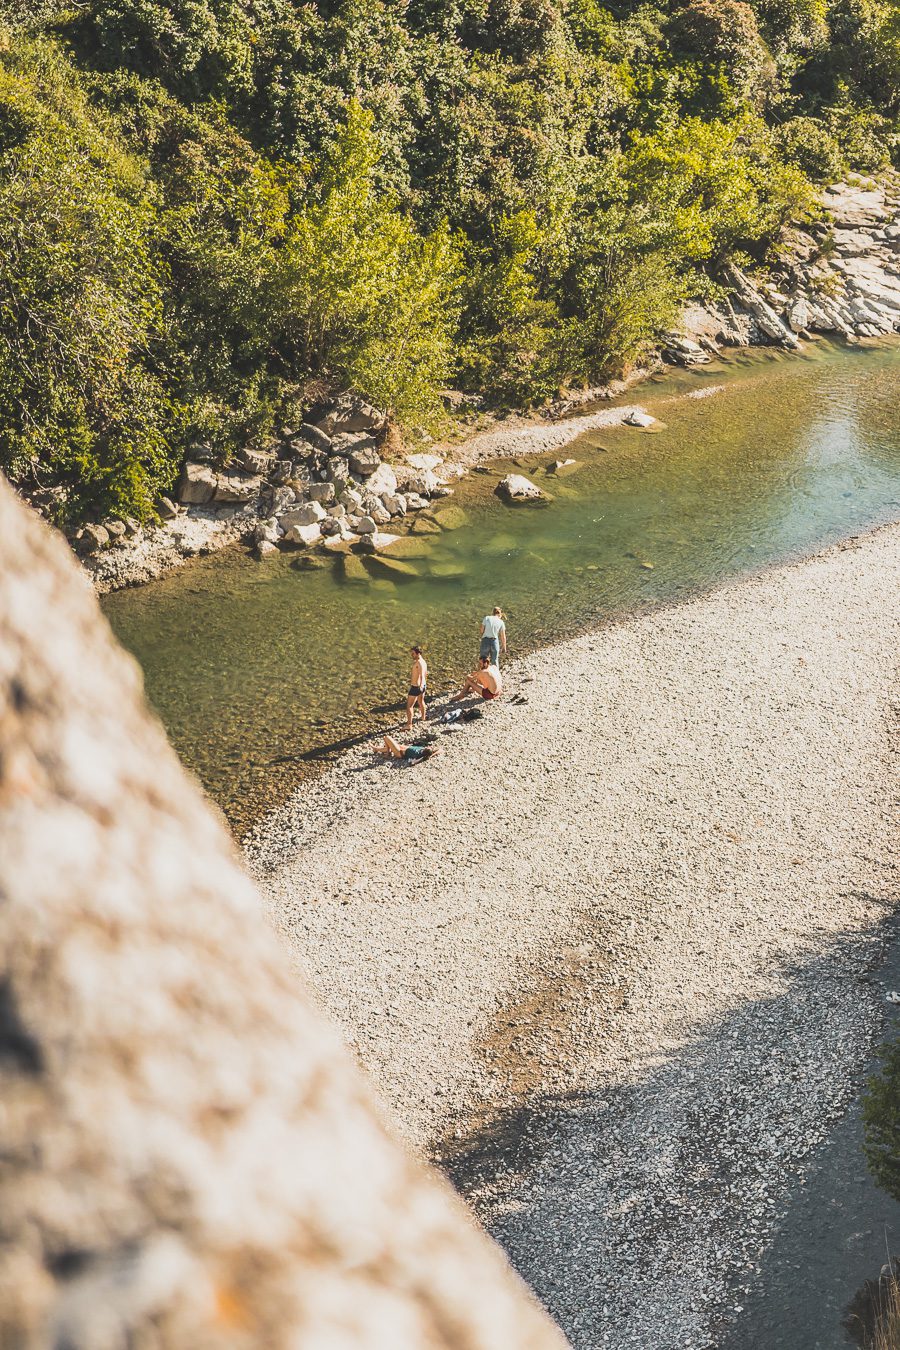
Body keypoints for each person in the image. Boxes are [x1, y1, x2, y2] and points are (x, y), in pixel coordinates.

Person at [372, 734, 439, 763]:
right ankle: (376, 749)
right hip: (405, 750)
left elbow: (412, 762)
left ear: (425, 750)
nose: (428, 746)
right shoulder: (424, 753)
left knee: (386, 737)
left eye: (428, 747)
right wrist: (431, 755)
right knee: (391, 745)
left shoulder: (417, 753)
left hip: (400, 753)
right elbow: (440, 750)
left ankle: (387, 753)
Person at [406, 646, 427, 730]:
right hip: (423, 686)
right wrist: (423, 686)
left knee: (409, 706)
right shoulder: (424, 662)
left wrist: (420, 686)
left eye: (413, 653)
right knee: (421, 701)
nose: (412, 655)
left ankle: (409, 724)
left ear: (418, 653)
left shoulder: (419, 663)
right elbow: (426, 674)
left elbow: (422, 675)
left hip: (416, 687)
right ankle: (423, 717)